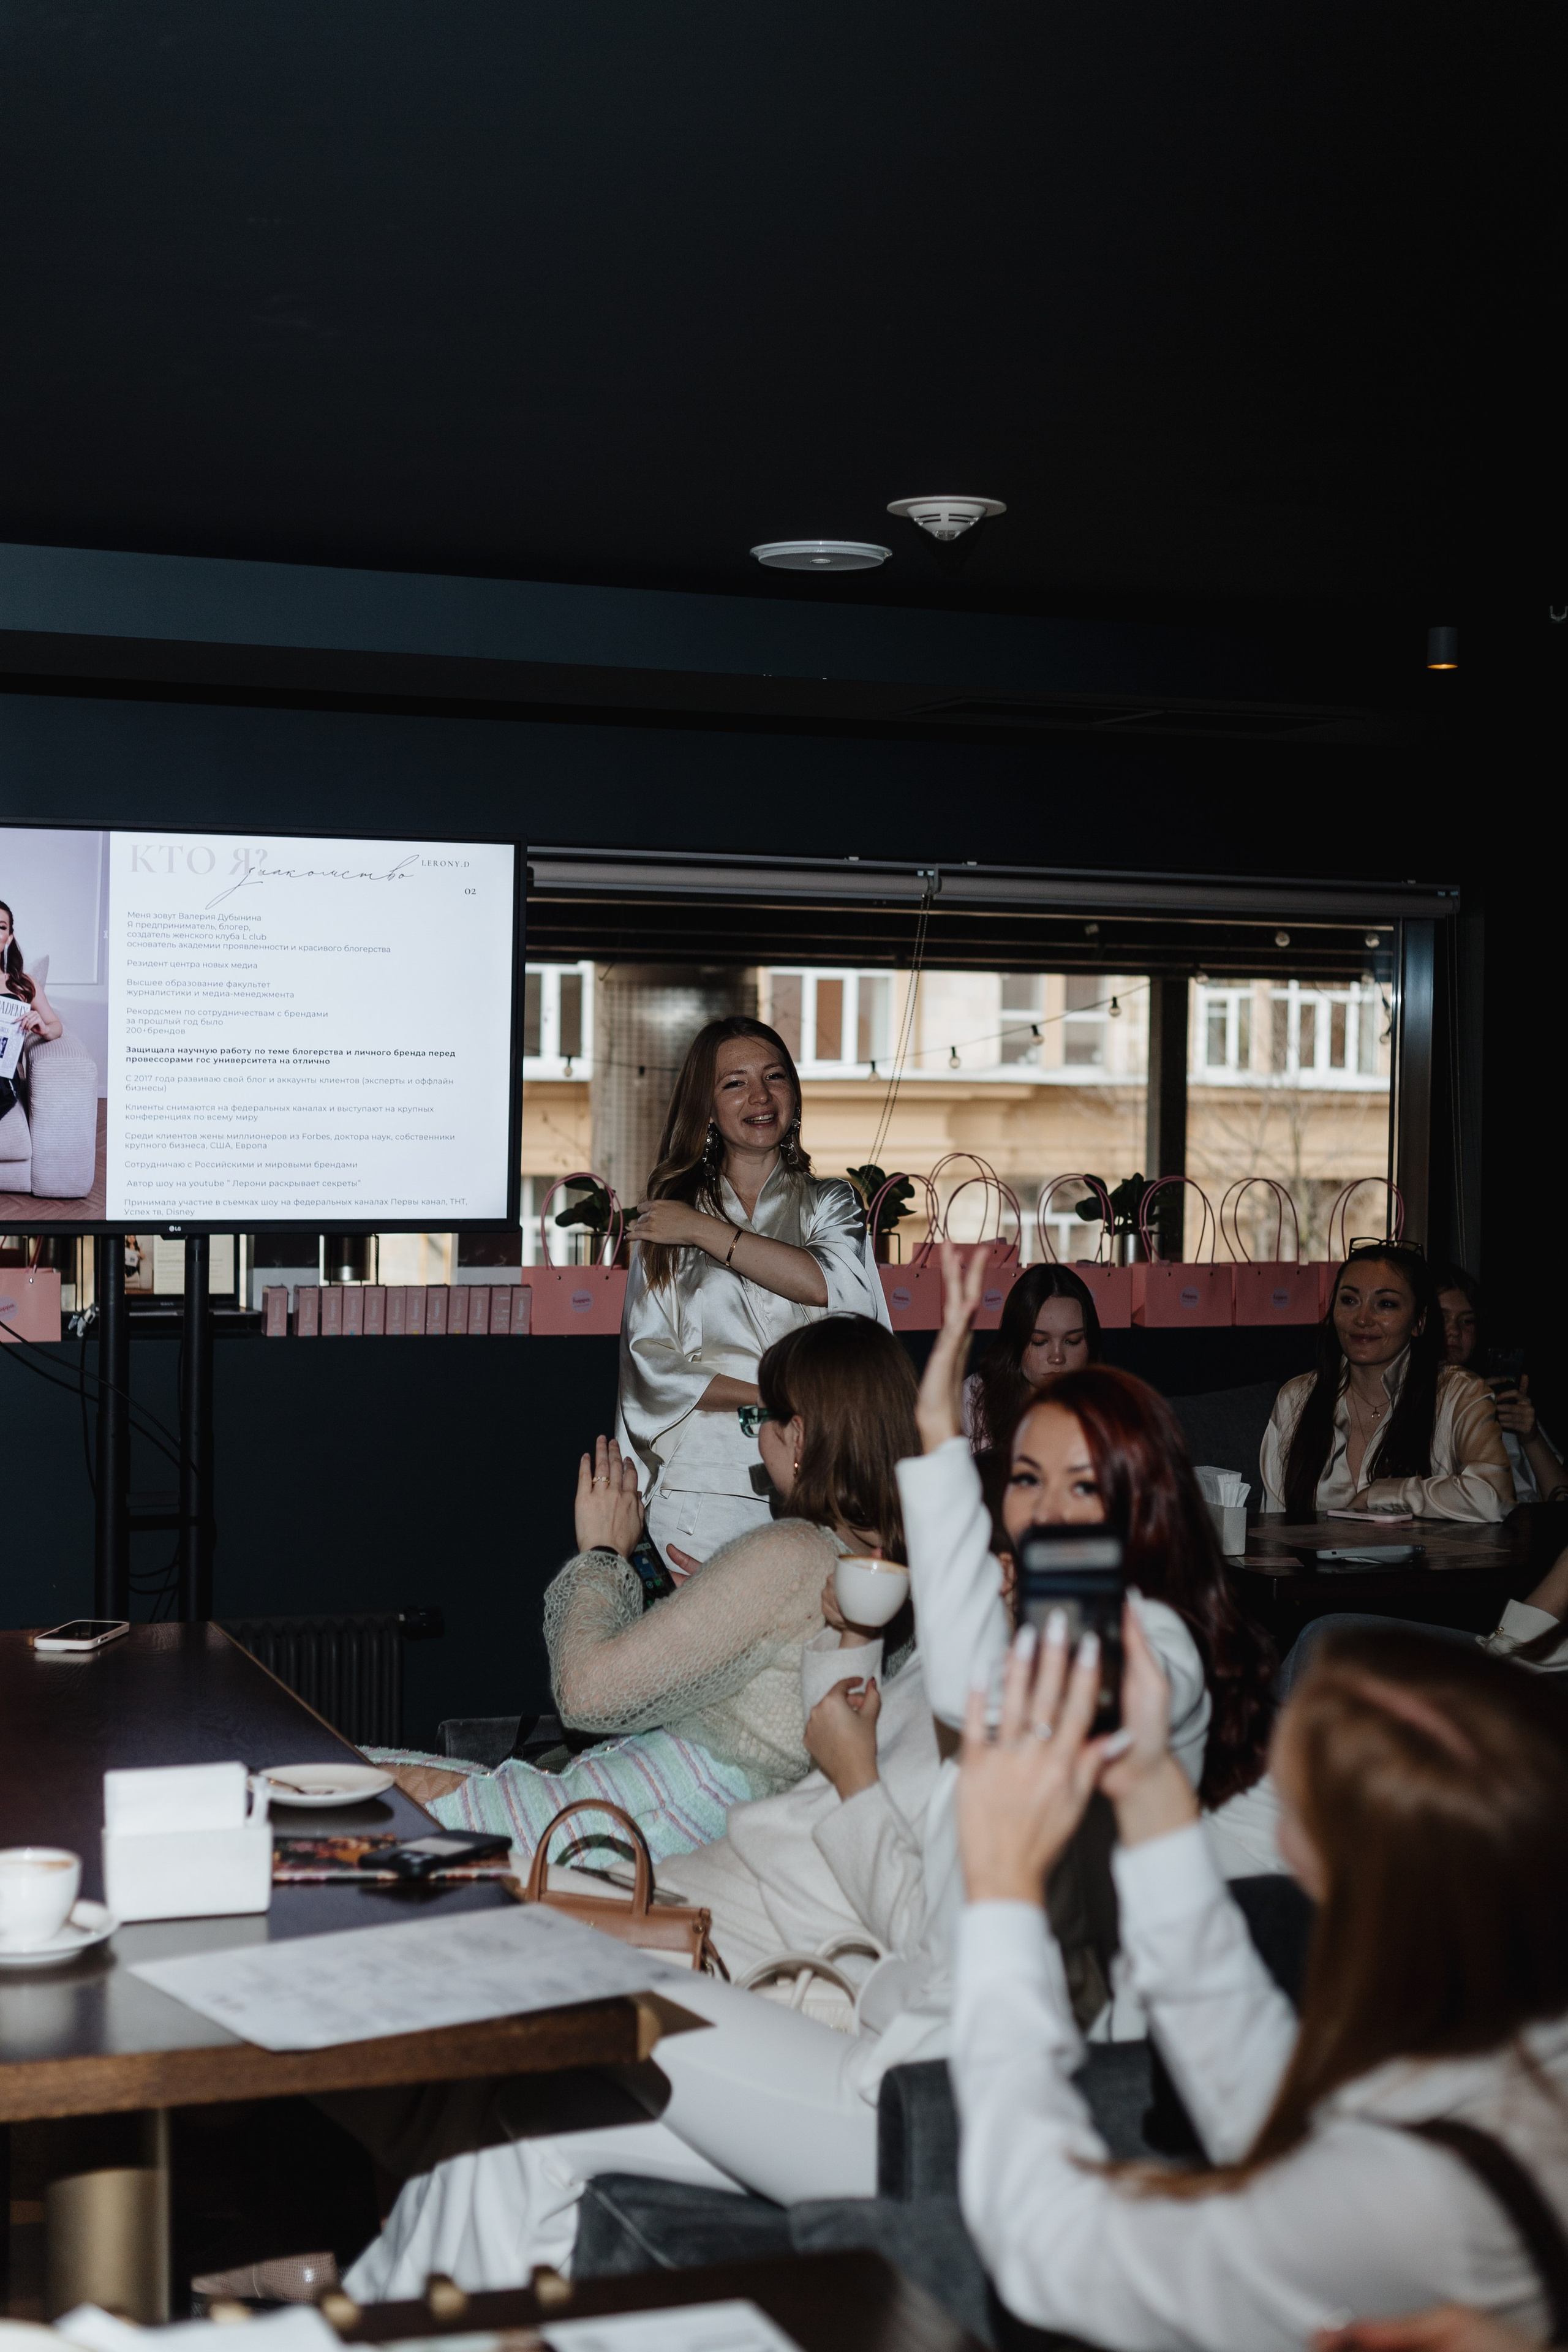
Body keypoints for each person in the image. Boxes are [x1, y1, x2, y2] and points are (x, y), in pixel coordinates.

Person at [950, 1615, 1568, 2351]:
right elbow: (1283, 2118)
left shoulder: (1408, 2199)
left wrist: (1000, 1892)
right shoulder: (1499, 2029)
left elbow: (1051, 2250)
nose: (1274, 1831)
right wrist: (1150, 1787)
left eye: (1289, 1801)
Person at [902, 1243, 1281, 1883]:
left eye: (1081, 1485)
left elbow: (987, 1710)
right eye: (1026, 1479)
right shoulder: (1040, 1604)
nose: (1046, 1509)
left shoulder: (1155, 1639)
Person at [617, 1016, 889, 1575]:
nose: (760, 1096)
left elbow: (830, 1288)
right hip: (705, 1488)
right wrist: (780, 1398)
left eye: (774, 1077)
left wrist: (699, 1228)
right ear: (707, 1105)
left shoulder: (830, 1202)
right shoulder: (666, 1217)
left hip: (821, 1471)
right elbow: (652, 1364)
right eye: (734, 1082)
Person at [1261, 1242, 1514, 1523]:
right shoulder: (1297, 1397)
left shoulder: (1459, 1393)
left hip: (1423, 1567)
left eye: (1386, 1304)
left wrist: (1382, 1495)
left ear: (1420, 1322)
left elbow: (1496, 1497)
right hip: (1311, 1566)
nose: (1362, 1318)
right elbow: (1274, 1524)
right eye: (1349, 1300)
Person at [1434, 1264, 1566, 1504]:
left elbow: (1560, 1498)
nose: (1453, 1331)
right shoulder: (1402, 1400)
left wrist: (1531, 1437)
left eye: (1467, 1322)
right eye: (1441, 1319)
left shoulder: (1497, 1396)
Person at [962, 1260, 1102, 1449]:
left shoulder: (1106, 1402)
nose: (1057, 1357)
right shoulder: (977, 1397)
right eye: (1039, 1341)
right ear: (1015, 1340)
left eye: (1073, 1341)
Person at [0, 898, 62, 1115]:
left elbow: (56, 1025)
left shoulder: (23, 983)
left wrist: (44, 1029)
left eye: (1, 927)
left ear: (9, 938)